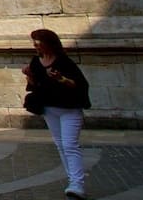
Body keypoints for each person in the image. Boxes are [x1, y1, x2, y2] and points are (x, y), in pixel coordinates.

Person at [24, 29, 91, 199]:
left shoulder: (64, 62)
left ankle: (77, 184)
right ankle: (73, 181)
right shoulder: (36, 62)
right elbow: (35, 86)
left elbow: (79, 84)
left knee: (70, 145)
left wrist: (61, 78)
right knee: (61, 145)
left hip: (69, 109)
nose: (35, 46)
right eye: (34, 43)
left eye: (38, 43)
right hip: (49, 109)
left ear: (48, 44)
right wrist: (30, 76)